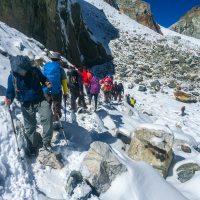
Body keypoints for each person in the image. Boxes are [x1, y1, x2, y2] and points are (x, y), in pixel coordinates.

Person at [5, 55, 53, 155]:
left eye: (23, 70)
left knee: (48, 116)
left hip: (40, 99)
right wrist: (9, 98)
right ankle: (32, 147)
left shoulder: (34, 71)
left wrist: (47, 82)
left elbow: (43, 79)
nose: (22, 73)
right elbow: (10, 91)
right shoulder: (13, 77)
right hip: (26, 103)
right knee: (30, 127)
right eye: (20, 70)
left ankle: (46, 143)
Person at [43, 52, 68, 121]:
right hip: (56, 91)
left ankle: (47, 121)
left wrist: (42, 89)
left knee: (47, 107)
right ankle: (56, 120)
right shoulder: (60, 68)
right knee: (56, 106)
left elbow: (42, 78)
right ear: (59, 59)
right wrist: (65, 93)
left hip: (46, 90)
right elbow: (64, 82)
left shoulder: (45, 66)